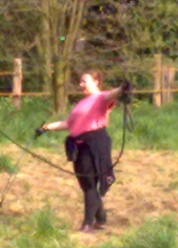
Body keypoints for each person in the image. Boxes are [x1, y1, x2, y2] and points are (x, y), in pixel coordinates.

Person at [35, 71, 131, 233]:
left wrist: (123, 88)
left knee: (90, 184)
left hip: (95, 143)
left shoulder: (101, 98)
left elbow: (114, 94)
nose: (81, 85)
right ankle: (101, 220)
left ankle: (87, 224)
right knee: (87, 184)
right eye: (80, 82)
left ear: (96, 81)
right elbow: (69, 123)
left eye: (84, 81)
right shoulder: (81, 103)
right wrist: (47, 127)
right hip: (78, 145)